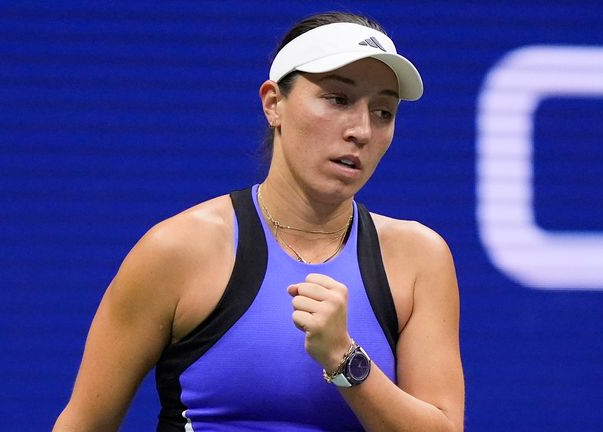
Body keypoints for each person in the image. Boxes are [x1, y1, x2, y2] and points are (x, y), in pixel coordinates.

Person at [54, 11, 464, 432]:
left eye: (382, 112)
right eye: (338, 99)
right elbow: (84, 423)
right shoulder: (177, 250)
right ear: (273, 104)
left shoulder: (419, 258)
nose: (361, 129)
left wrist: (345, 359)